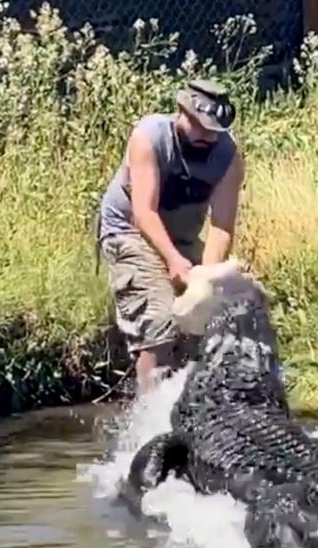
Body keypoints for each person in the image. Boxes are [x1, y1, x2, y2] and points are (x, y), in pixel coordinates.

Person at [94, 79, 245, 396]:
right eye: (201, 128)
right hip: (130, 230)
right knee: (162, 320)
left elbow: (221, 226)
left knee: (207, 318)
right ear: (182, 113)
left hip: (182, 236)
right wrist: (174, 260)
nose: (208, 137)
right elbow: (143, 213)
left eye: (215, 131)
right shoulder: (149, 136)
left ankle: (193, 407)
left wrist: (204, 276)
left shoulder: (228, 156)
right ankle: (150, 422)